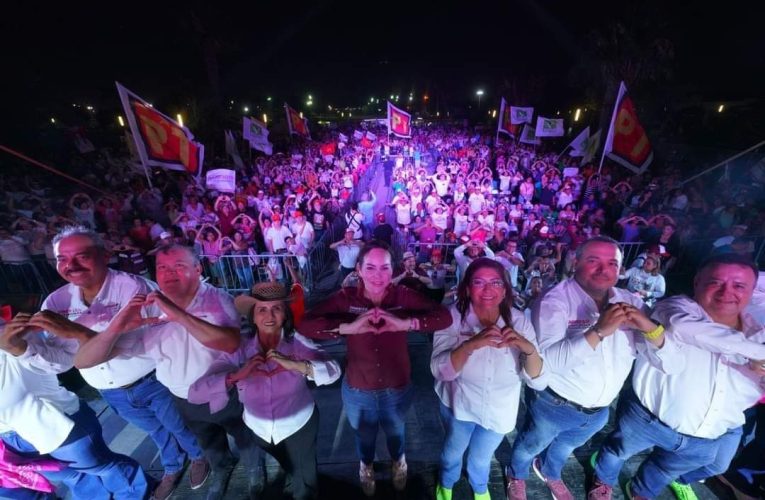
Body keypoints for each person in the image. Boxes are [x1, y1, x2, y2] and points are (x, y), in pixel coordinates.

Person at [37, 227, 210, 500]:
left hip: (152, 380)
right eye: (61, 259)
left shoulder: (133, 289)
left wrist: (81, 335)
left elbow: (143, 341)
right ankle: (172, 466)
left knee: (177, 425)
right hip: (110, 390)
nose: (70, 266)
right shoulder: (55, 302)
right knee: (154, 430)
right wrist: (25, 350)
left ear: (105, 255)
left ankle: (199, 457)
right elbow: (62, 361)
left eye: (82, 256)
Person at [506, 236, 677, 500]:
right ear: (576, 263)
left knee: (564, 447)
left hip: (600, 410)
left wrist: (651, 329)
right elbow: (549, 364)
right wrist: (599, 331)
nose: (603, 269)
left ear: (620, 269)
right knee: (530, 445)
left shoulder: (631, 301)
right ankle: (516, 474)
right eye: (593, 261)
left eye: (611, 263)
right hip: (555, 404)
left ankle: (550, 472)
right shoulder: (554, 302)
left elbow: (668, 363)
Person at [589, 253, 765, 500]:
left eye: (738, 286)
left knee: (665, 470)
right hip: (647, 419)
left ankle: (640, 490)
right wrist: (756, 353)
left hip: (709, 434)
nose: (727, 292)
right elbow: (684, 328)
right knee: (617, 452)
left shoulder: (759, 335)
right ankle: (603, 479)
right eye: (715, 282)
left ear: (751, 291)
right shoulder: (676, 308)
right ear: (697, 283)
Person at [299, 240, 452, 496]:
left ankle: (399, 463)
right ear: (358, 269)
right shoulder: (346, 299)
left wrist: (408, 324)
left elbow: (443, 317)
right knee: (364, 437)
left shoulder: (404, 296)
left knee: (396, 433)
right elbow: (305, 324)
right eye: (370, 268)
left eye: (384, 268)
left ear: (393, 270)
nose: (377, 276)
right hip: (359, 387)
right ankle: (366, 466)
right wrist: (348, 328)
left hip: (398, 385)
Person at [189, 282, 342, 500]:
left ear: (285, 315)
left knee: (305, 481)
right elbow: (195, 394)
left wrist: (298, 365)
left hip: (298, 426)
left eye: (276, 308)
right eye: (262, 309)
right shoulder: (239, 350)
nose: (269, 315)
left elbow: (334, 371)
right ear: (252, 316)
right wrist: (237, 375)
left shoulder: (297, 343)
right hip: (259, 429)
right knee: (289, 466)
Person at [0, 312, 150, 499]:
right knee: (71, 476)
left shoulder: (13, 333)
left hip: (55, 422)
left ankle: (136, 494)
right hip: (11, 440)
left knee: (101, 466)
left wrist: (19, 348)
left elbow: (61, 363)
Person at [431, 258, 545, 500]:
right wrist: (472, 344)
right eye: (479, 282)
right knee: (452, 454)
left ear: (505, 289)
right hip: (457, 405)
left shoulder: (519, 320)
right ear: (467, 288)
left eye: (495, 282)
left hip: (499, 408)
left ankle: (480, 488)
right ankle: (446, 484)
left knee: (480, 458)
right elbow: (440, 371)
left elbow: (537, 379)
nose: (488, 290)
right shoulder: (451, 316)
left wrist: (528, 348)